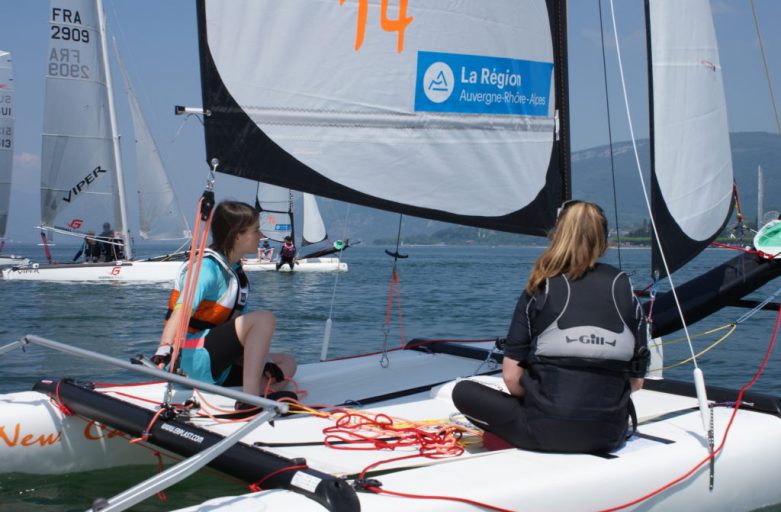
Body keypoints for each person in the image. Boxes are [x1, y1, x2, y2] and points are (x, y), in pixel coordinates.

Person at [452, 200, 649, 454]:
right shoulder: (625, 290)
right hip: (609, 435)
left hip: (542, 432)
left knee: (463, 391)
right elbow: (636, 383)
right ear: (603, 239)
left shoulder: (540, 287)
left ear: (557, 235)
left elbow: (512, 378)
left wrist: (544, 396)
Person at [151, 200, 297, 410]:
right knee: (264, 319)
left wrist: (263, 363)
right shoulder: (206, 269)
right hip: (189, 357)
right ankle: (251, 399)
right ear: (237, 235)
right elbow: (180, 312)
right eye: (256, 230)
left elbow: (237, 332)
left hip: (213, 359)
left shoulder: (234, 270)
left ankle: (250, 389)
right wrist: (163, 350)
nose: (261, 236)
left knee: (288, 363)